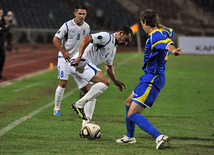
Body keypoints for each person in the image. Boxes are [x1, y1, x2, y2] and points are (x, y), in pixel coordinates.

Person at [116, 9, 182, 149]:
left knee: (132, 113)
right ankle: (130, 137)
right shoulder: (163, 32)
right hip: (148, 77)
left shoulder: (155, 36)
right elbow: (170, 32)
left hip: (152, 79)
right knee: (128, 102)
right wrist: (157, 24)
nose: (142, 26)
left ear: (145, 22)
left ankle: (159, 136)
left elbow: (166, 44)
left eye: (142, 23)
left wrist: (173, 50)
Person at [69, 27, 133, 137]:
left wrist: (115, 81)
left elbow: (108, 66)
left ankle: (84, 129)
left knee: (93, 95)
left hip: (78, 67)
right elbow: (86, 38)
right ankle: (79, 104)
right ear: (121, 33)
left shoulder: (113, 48)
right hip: (81, 62)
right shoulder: (106, 37)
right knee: (105, 81)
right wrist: (79, 57)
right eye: (126, 39)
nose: (126, 43)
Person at [53, 4, 90, 116]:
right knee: (63, 83)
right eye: (79, 14)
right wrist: (63, 52)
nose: (81, 16)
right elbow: (55, 39)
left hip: (78, 59)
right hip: (65, 58)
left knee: (87, 84)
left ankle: (82, 107)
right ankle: (56, 108)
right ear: (75, 13)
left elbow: (86, 42)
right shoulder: (67, 25)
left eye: (83, 14)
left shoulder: (87, 27)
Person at [0, 7, 8, 80]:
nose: (1, 14)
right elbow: (3, 29)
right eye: (0, 12)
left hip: (2, 42)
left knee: (3, 58)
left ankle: (0, 73)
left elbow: (6, 29)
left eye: (1, 12)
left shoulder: (3, 20)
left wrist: (3, 29)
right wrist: (3, 28)